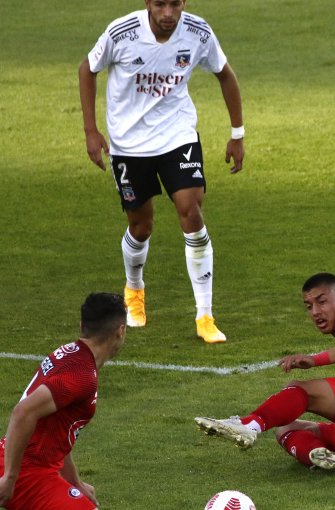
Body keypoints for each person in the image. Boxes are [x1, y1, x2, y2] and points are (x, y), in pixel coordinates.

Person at [78, 0, 245, 343]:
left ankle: (205, 316)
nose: (168, 13)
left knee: (191, 209)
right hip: (129, 145)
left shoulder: (197, 32)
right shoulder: (121, 33)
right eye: (160, 4)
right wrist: (90, 131)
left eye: (175, 4)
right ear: (147, 4)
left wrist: (237, 134)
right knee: (141, 226)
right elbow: (87, 69)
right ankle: (135, 290)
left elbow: (225, 74)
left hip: (177, 136)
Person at [195, 273, 335, 470]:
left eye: (322, 302)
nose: (315, 312)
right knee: (286, 427)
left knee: (300, 389)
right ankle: (319, 455)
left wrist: (314, 360)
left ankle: (248, 425)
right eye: (309, 306)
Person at [0, 293, 127, 510]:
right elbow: (23, 412)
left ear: (82, 325)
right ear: (120, 331)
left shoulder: (71, 353)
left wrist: (74, 481)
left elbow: (57, 428)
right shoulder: (81, 375)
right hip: (28, 473)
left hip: (25, 463)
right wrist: (10, 477)